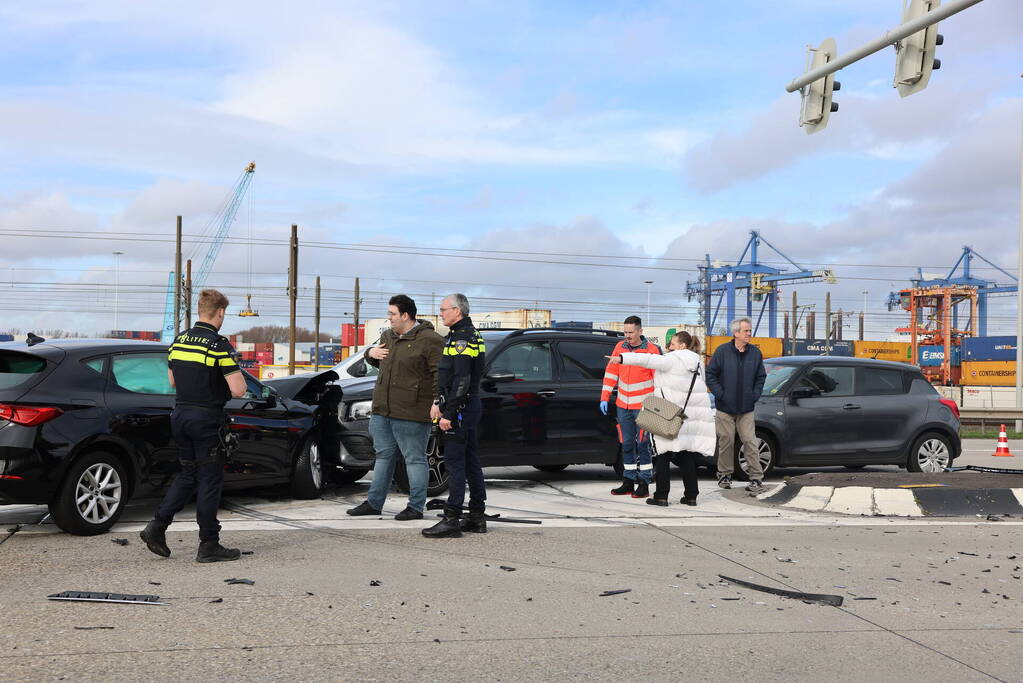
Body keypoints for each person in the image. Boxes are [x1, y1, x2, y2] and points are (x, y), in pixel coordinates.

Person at [140, 289, 247, 562]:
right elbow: (238, 390)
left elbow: (173, 381)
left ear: (200, 310)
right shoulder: (218, 345)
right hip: (206, 419)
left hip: (181, 416)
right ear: (220, 312)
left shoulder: (180, 341)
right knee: (210, 480)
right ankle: (209, 544)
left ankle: (157, 526)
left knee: (188, 474)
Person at [347, 295, 444, 520]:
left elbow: (441, 374)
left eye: (392, 314)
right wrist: (368, 354)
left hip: (411, 411)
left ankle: (416, 507)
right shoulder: (388, 336)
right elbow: (378, 360)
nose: (388, 318)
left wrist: (438, 401)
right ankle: (374, 502)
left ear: (405, 315)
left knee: (414, 458)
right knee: (383, 456)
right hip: (382, 410)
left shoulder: (430, 340)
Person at [607, 331, 715, 505]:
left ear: (682, 345)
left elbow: (647, 360)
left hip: (669, 414)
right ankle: (691, 496)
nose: (668, 347)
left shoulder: (672, 359)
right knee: (687, 455)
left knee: (663, 454)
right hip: (689, 417)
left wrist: (621, 358)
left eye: (672, 344)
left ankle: (661, 496)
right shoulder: (697, 362)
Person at [422, 293, 487, 538]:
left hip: (461, 409)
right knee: (471, 463)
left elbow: (462, 379)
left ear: (457, 311)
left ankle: (452, 519)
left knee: (455, 464)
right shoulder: (468, 335)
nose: (441, 313)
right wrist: (439, 401)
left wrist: (449, 412)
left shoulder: (461, 339)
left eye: (443, 309)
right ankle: (477, 517)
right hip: (468, 406)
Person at [600, 315, 661, 498]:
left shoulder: (651, 350)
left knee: (643, 445)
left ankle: (644, 482)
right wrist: (605, 397)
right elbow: (611, 373)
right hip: (623, 405)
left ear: (640, 331)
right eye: (625, 332)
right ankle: (628, 481)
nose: (627, 336)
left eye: (631, 332)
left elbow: (658, 378)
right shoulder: (619, 347)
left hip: (643, 406)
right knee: (626, 444)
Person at [705, 317, 767, 494]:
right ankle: (724, 475)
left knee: (750, 441)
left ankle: (756, 478)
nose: (749, 333)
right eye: (746, 331)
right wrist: (721, 394)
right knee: (726, 441)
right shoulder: (722, 351)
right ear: (736, 333)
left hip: (746, 407)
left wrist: (754, 395)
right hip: (725, 407)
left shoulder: (755, 353)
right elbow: (711, 375)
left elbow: (760, 377)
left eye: (749, 330)